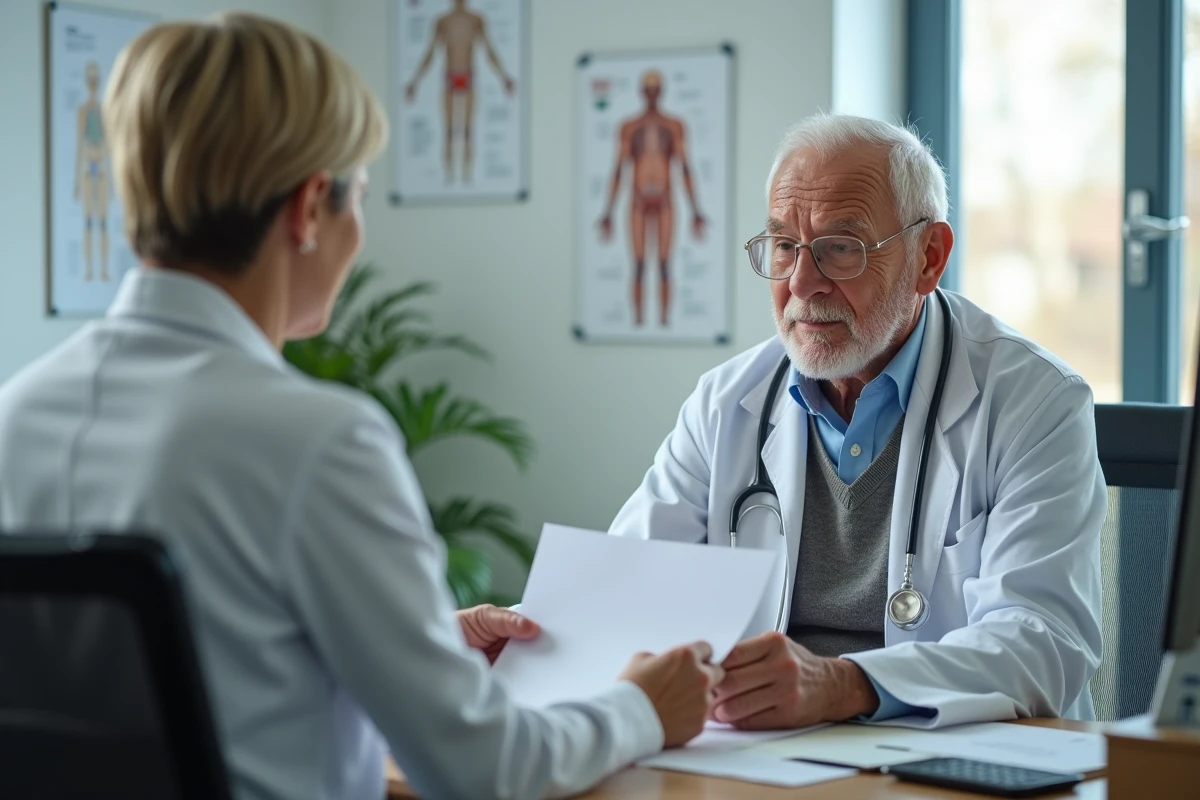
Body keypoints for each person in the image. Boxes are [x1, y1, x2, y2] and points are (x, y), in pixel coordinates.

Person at [0, 13, 721, 800]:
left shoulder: (15, 418)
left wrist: (409, 648)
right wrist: (641, 708)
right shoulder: (319, 443)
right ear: (312, 208)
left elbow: (158, 689)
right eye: (362, 197)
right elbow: (487, 771)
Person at [609, 113, 1105, 730]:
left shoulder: (1035, 402)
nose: (801, 283)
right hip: (760, 758)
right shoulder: (727, 401)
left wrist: (847, 684)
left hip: (954, 758)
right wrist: (518, 631)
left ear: (929, 258)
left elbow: (1046, 642)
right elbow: (625, 588)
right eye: (785, 246)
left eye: (840, 249)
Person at [598, 69, 706, 327]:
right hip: (636, 201)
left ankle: (664, 320)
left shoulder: (675, 126)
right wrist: (608, 212)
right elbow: (618, 169)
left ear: (662, 92)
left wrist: (695, 211)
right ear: (641, 92)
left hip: (666, 200)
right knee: (637, 263)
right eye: (648, 88)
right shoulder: (628, 127)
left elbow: (685, 167)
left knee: (664, 263)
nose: (652, 94)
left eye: (656, 88)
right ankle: (637, 321)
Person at [405, 0, 516, 183]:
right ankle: (449, 178)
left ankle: (466, 177)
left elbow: (489, 50)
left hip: (468, 77)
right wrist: (415, 81)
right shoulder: (442, 20)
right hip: (450, 77)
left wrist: (504, 77)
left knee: (467, 130)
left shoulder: (476, 19)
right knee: (449, 130)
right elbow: (430, 52)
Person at [75, 61, 110, 282]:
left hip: (103, 170)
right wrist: (77, 180)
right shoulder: (83, 111)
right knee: (89, 221)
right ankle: (89, 269)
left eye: (96, 78)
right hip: (88, 170)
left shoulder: (105, 111)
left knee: (103, 222)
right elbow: (80, 144)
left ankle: (104, 270)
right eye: (91, 79)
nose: (94, 83)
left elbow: (108, 147)